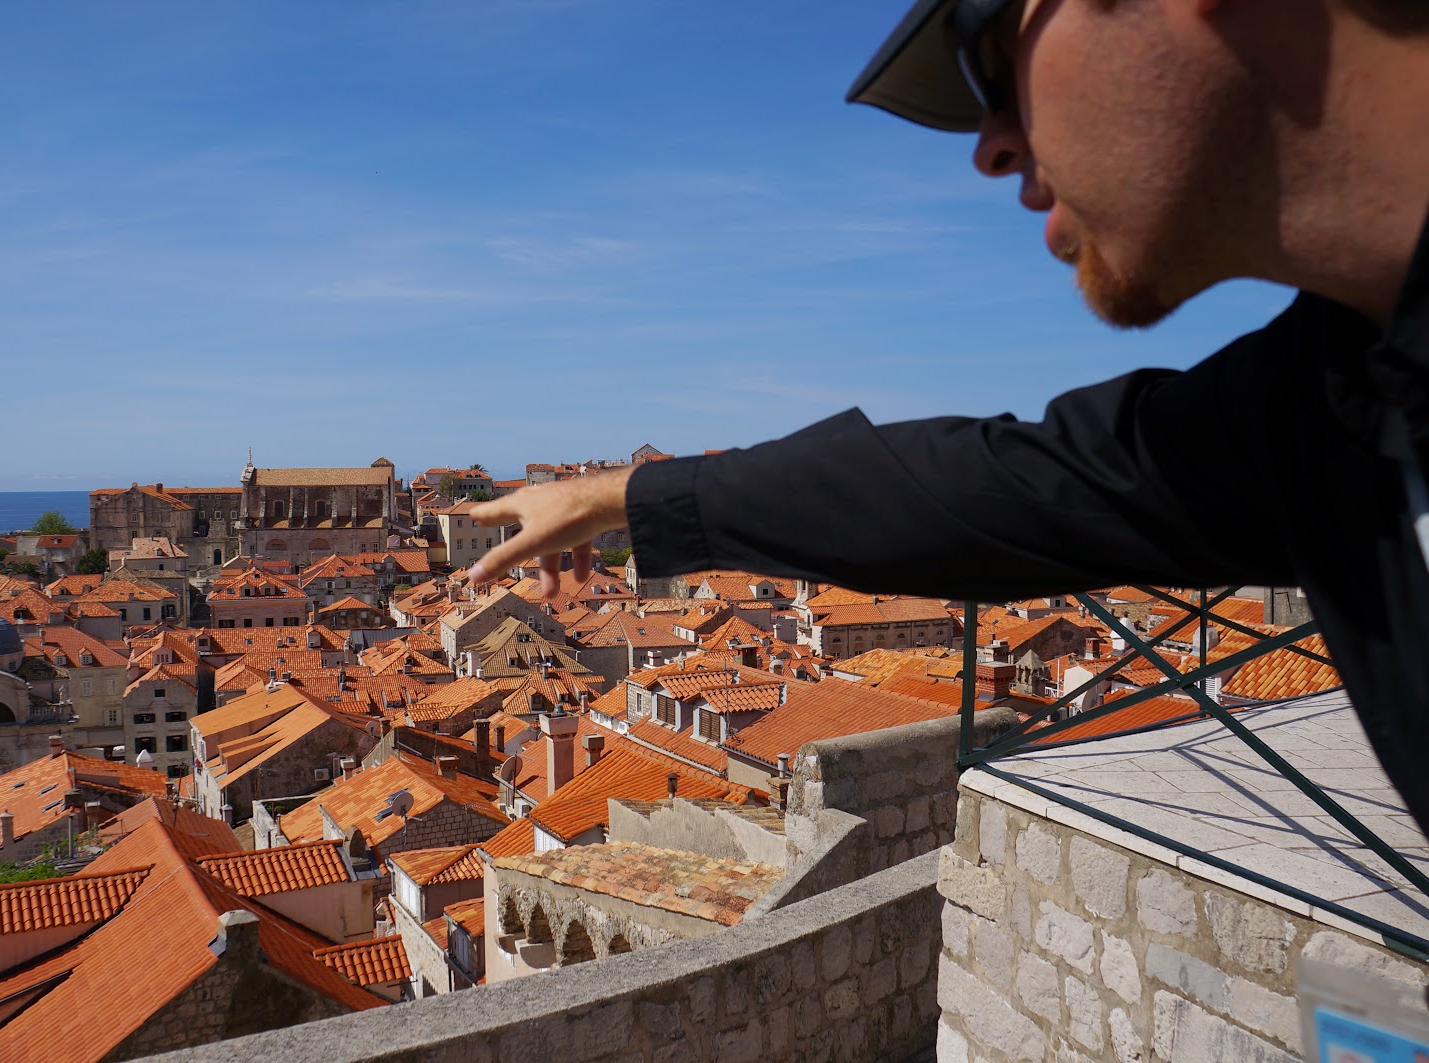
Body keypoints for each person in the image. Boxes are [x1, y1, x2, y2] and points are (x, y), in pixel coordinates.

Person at [469, 0, 1429, 829]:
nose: (990, 147)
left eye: (996, 67)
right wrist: (625, 498)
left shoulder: (1332, 410)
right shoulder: (1330, 408)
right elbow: (984, 489)